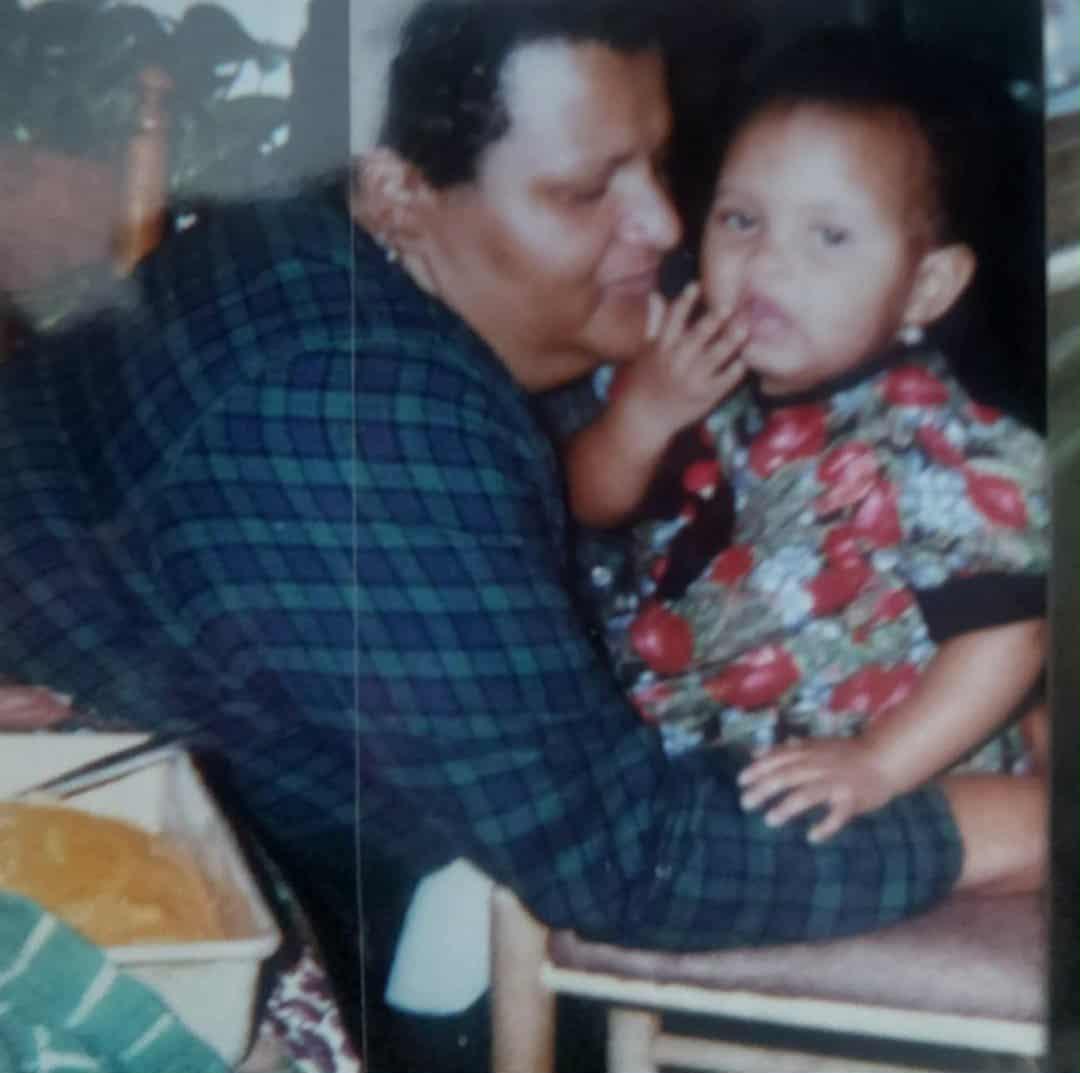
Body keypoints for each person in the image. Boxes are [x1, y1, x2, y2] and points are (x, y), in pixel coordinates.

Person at [0, 0, 1044, 1065]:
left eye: (658, 165)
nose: (667, 226)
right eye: (587, 189)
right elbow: (621, 856)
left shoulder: (337, 260)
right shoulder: (362, 409)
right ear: (400, 193)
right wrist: (1002, 828)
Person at [565, 27, 1048, 843]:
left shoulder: (930, 438)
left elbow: (1012, 630)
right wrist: (638, 417)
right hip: (681, 736)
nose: (768, 264)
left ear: (925, 286)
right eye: (741, 219)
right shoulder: (688, 368)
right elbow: (586, 503)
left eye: (829, 237)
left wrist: (877, 764)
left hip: (861, 775)